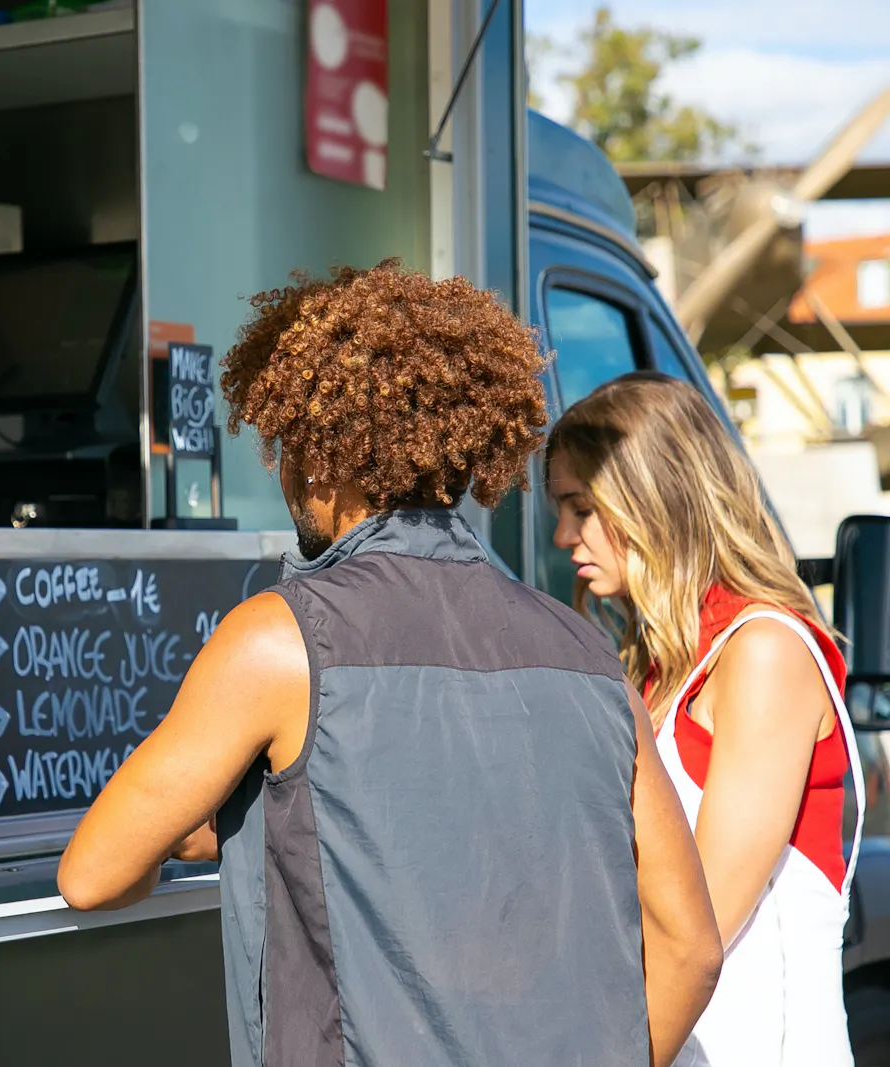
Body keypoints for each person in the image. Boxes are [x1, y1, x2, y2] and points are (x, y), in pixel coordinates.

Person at [58, 264, 723, 1067]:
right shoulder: (590, 660)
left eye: (286, 442)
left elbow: (91, 873)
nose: (282, 471)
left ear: (322, 450)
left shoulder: (278, 641)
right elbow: (690, 946)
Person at [547, 371, 864, 1066]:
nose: (562, 533)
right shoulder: (665, 665)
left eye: (580, 506)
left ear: (655, 497)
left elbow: (697, 930)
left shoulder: (764, 653)